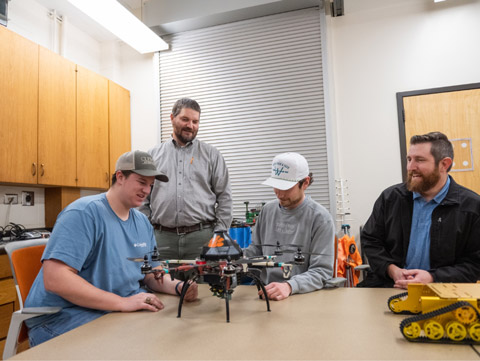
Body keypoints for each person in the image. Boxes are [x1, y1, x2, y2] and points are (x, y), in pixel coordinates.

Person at [24, 150, 198, 346]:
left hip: (111, 310)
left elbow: (151, 275)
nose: (147, 191)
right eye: (142, 182)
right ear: (120, 176)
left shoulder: (142, 223)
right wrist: (122, 303)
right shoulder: (83, 213)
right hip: (64, 316)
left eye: (151, 185)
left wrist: (177, 287)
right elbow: (55, 279)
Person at [359, 131, 480, 289]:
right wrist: (391, 270)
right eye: (409, 159)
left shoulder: (471, 206)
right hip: (388, 285)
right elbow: (370, 240)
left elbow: (474, 264)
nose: (410, 167)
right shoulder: (390, 198)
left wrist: (432, 277)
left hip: (443, 290)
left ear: (445, 164)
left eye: (420, 160)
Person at [139, 98, 232, 260]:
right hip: (161, 238)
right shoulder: (153, 155)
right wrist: (146, 229)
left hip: (202, 237)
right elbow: (142, 197)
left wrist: (220, 232)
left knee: (204, 285)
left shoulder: (212, 155)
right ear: (172, 118)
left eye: (195, 121)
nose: (191, 125)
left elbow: (225, 196)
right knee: (158, 283)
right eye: (185, 119)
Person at [244, 152, 335, 301]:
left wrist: (290, 286)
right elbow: (256, 251)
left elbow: (322, 271)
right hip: (266, 292)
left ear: (305, 183)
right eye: (276, 186)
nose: (279, 194)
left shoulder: (321, 218)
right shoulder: (267, 210)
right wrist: (234, 260)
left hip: (302, 295)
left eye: (286, 188)